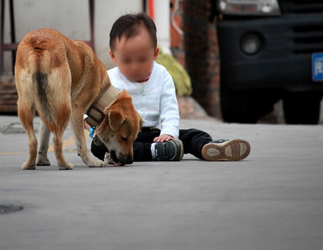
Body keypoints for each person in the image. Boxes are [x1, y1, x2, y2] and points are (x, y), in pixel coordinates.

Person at [90, 13, 251, 162]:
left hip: (153, 133)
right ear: (113, 56)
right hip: (121, 135)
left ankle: (207, 148)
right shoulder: (108, 79)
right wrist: (97, 127)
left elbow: (170, 109)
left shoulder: (162, 75)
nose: (134, 67)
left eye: (142, 60)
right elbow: (91, 107)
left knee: (193, 135)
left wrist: (168, 133)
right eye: (127, 61)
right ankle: (156, 151)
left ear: (154, 54)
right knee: (99, 146)